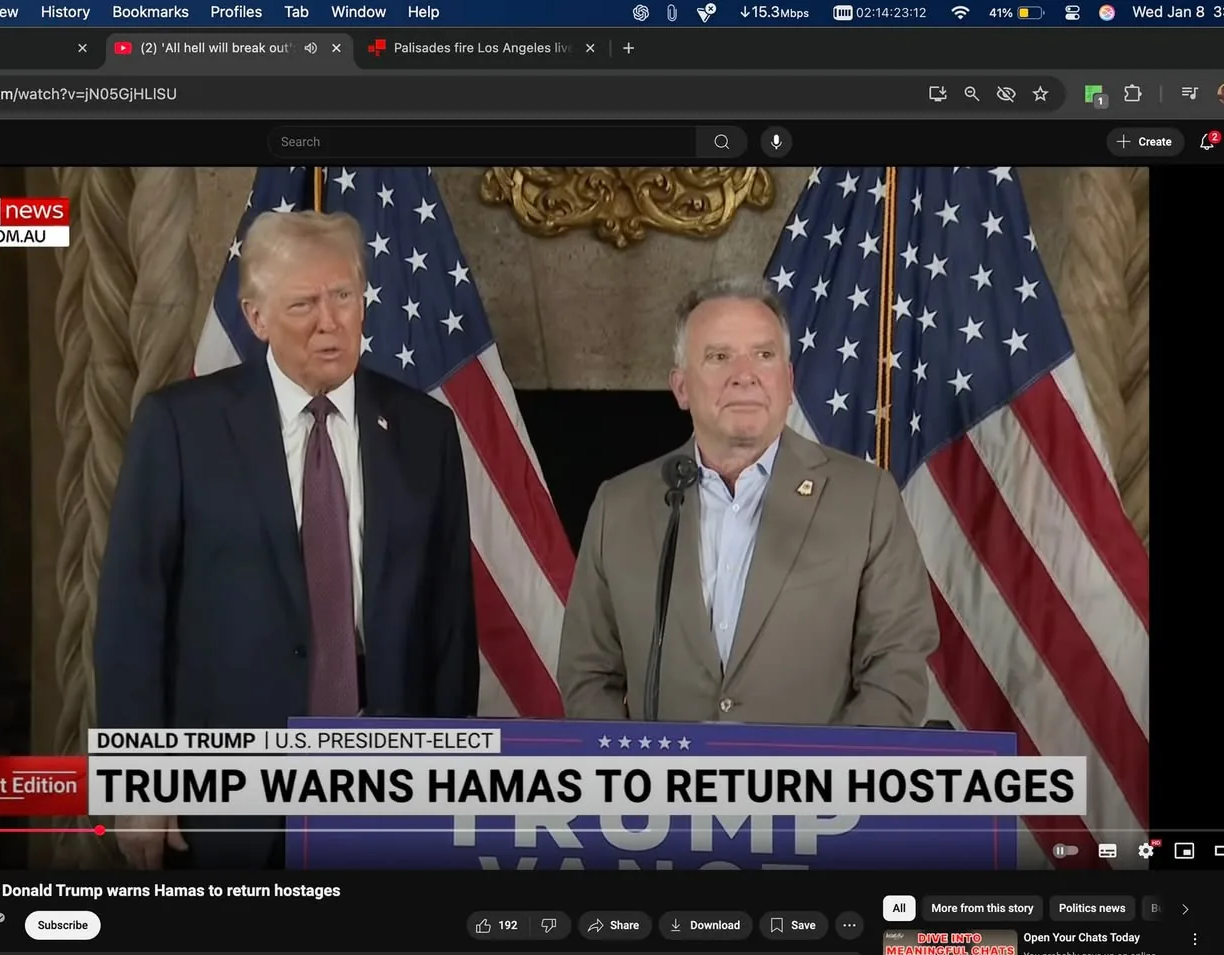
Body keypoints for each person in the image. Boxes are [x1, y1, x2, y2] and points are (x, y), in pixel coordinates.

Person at [94, 210, 479, 869]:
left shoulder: (424, 431)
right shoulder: (181, 427)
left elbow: (449, 624)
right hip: (228, 797)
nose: (330, 322)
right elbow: (133, 618)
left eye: (344, 298)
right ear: (256, 316)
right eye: (303, 304)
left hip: (387, 790)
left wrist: (450, 781)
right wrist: (138, 781)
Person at [557, 276, 938, 727]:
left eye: (764, 354)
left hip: (814, 793)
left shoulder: (867, 499)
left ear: (788, 379)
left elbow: (896, 671)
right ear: (680, 387)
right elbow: (588, 675)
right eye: (719, 357)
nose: (745, 374)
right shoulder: (618, 506)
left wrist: (820, 786)